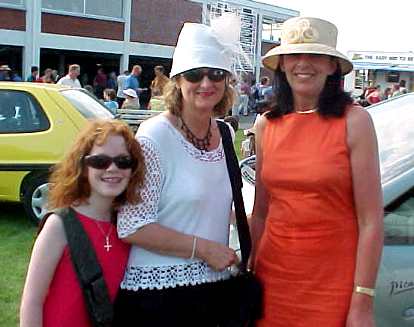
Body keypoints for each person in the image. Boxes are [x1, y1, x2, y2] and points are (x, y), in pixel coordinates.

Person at [250, 16, 384, 327]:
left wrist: (362, 300)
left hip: (333, 286)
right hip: (272, 282)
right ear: (281, 64)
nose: (303, 64)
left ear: (332, 65)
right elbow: (260, 213)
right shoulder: (266, 124)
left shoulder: (355, 122)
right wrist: (251, 272)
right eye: (294, 55)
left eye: (314, 55)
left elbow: (371, 220)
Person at [113, 15, 244, 327]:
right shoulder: (155, 136)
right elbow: (132, 225)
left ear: (227, 81)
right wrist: (205, 250)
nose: (206, 83)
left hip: (213, 290)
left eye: (216, 74)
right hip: (159, 297)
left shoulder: (224, 133)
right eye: (195, 75)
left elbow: (210, 202)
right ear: (178, 81)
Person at [20, 119, 145, 327]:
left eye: (123, 161)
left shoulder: (129, 226)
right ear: (84, 166)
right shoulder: (59, 225)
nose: (112, 168)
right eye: (100, 161)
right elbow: (32, 301)